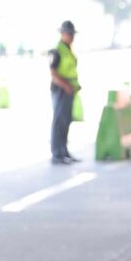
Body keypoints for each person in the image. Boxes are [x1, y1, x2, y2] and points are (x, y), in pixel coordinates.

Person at [49, 20, 81, 164]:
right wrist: (66, 86)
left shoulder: (69, 50)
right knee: (59, 122)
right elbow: (54, 74)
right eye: (69, 34)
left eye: (72, 34)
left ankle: (64, 152)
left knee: (66, 121)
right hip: (61, 90)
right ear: (62, 34)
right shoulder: (56, 51)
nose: (71, 37)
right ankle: (57, 154)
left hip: (69, 90)